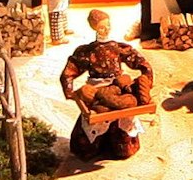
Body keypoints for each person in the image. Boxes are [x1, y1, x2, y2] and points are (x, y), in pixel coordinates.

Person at [60, 9, 154, 161]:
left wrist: (146, 77)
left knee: (122, 120)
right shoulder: (87, 52)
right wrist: (71, 91)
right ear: (94, 28)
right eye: (102, 27)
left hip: (119, 88)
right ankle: (94, 147)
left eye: (108, 25)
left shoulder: (117, 47)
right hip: (96, 91)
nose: (106, 29)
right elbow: (70, 71)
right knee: (95, 120)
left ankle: (121, 145)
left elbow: (139, 61)